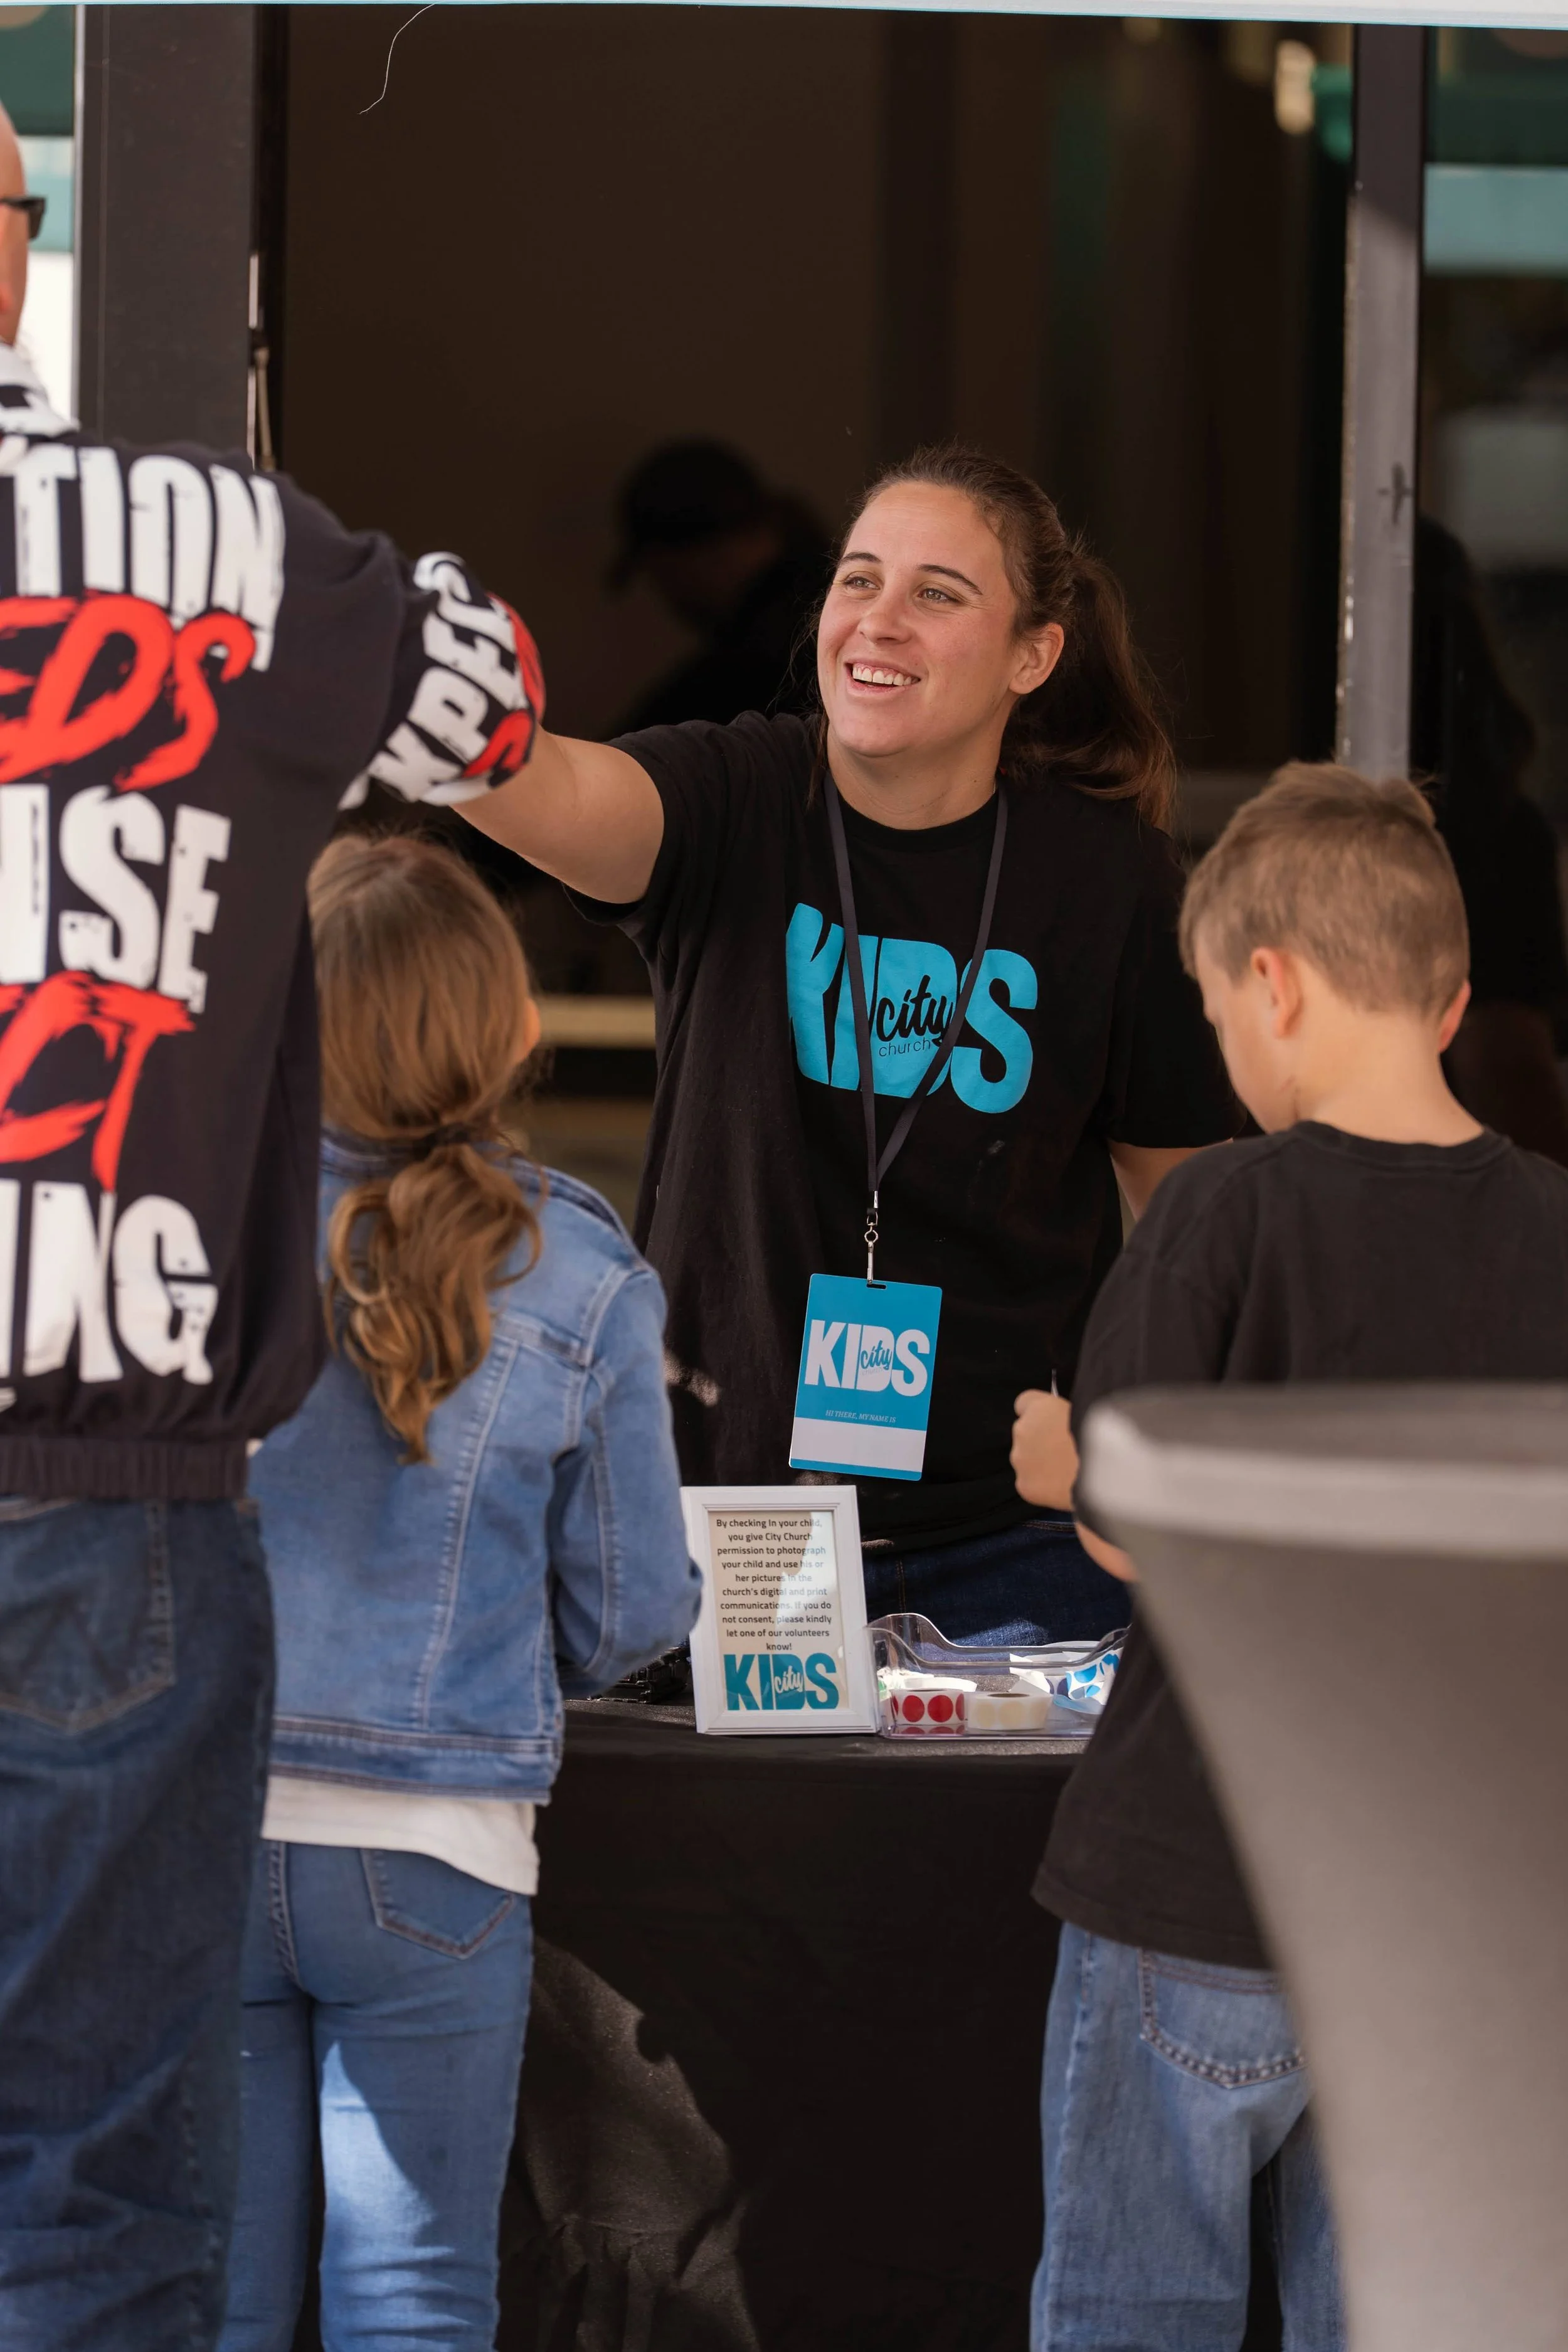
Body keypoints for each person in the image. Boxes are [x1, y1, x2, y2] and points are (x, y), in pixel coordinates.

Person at [0, 97, 547, 2349]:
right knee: (94, 2186)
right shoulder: (202, 549)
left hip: (117, 1497)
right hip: (107, 1485)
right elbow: (492, 700)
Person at [466, 446, 1237, 1646]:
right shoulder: (737, 794)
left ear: (1033, 655)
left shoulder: (1108, 880)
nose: (880, 619)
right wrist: (454, 717)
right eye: (859, 579)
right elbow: (558, 794)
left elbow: (1194, 1220)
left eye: (939, 593)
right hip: (738, 1524)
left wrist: (1128, 1458)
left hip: (1014, 1539)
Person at [1010, 763, 1568, 2349]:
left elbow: (1135, 1526)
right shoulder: (1553, 1228)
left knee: (1131, 2313)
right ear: (1449, 1002)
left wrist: (1063, 1461)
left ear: (1271, 984)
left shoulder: (1218, 1212)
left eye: (1212, 1013)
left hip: (1198, 1874)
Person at [221, 837, 699, 2350]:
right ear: (508, 1027)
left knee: (213, 2302)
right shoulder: (583, 1277)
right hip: (438, 1853)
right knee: (414, 2302)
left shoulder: (183, 1234)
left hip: (201, 1824)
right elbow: (635, 1614)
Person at [608, 440, 830, 729]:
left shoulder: (752, 664)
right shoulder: (824, 595)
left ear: (696, 556)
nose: (667, 598)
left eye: (662, 574)